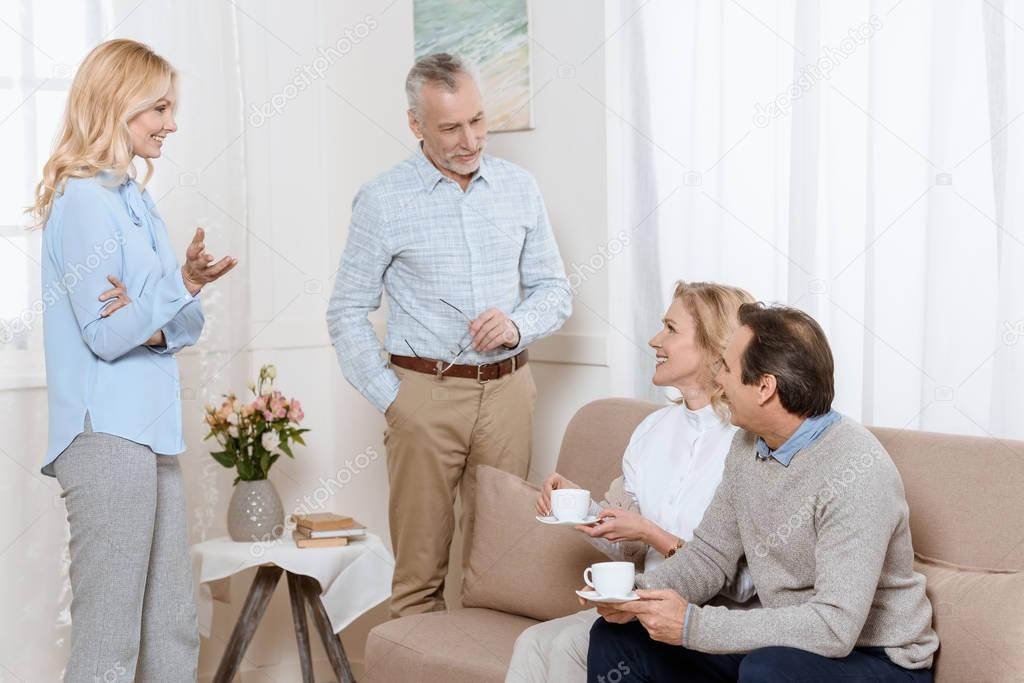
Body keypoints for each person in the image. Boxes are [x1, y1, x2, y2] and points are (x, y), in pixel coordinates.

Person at [326, 52, 572, 618]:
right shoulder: (383, 200)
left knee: (504, 572)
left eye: (478, 121)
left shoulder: (519, 189)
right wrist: (396, 401)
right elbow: (345, 311)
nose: (470, 139)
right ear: (416, 125)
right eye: (451, 127)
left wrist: (516, 324)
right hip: (424, 397)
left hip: (509, 394)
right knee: (418, 578)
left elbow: (554, 292)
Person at [588, 303, 939, 682]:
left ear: (765, 387)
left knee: (769, 669)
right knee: (619, 636)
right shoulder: (747, 446)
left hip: (876, 658)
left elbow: (835, 627)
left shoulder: (856, 470)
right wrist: (633, 595)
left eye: (727, 368)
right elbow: (710, 556)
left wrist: (693, 626)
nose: (717, 380)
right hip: (784, 646)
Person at [34, 39, 237, 682]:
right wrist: (169, 296)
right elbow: (105, 333)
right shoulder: (84, 202)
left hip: (150, 434)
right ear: (117, 105)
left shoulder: (134, 201)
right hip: (105, 436)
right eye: (159, 107)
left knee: (173, 625)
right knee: (110, 641)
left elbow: (180, 326)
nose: (171, 123)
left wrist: (167, 299)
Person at [505, 281, 757, 683]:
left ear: (714, 347)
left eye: (671, 330)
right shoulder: (651, 430)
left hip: (708, 620)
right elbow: (627, 543)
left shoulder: (750, 444)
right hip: (642, 601)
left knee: (570, 644)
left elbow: (747, 585)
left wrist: (651, 532)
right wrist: (581, 509)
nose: (655, 340)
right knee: (533, 642)